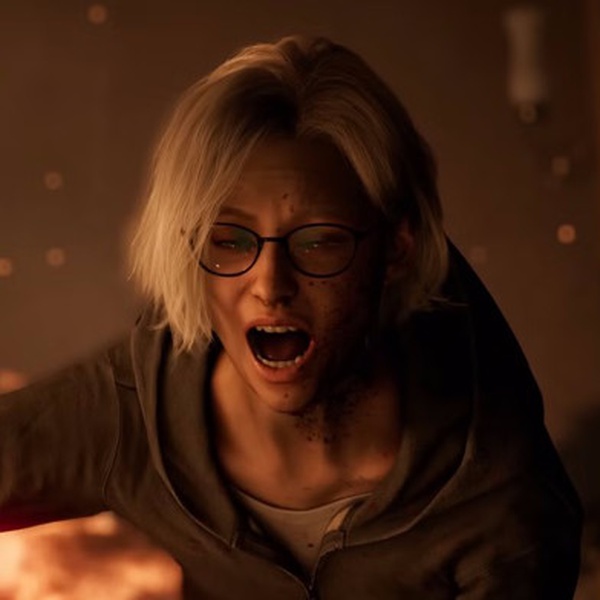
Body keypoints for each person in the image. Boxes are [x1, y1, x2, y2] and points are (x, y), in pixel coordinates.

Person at [0, 35, 582, 599]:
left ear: (395, 250)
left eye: (318, 241)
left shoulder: (502, 501)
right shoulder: (131, 413)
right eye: (230, 240)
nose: (270, 286)